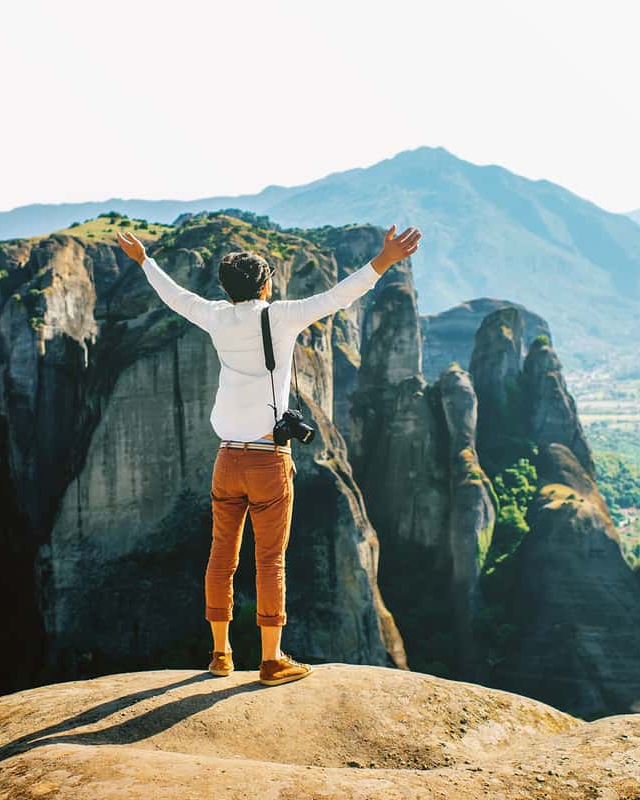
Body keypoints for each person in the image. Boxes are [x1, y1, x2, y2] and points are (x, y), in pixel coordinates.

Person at [115, 223, 421, 685]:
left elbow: (175, 297)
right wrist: (385, 260)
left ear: (227, 288)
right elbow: (339, 296)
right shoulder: (281, 317)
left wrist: (144, 260)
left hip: (226, 458)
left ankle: (220, 654)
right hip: (267, 461)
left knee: (221, 556)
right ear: (264, 285)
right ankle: (272, 660)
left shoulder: (215, 316)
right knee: (269, 560)